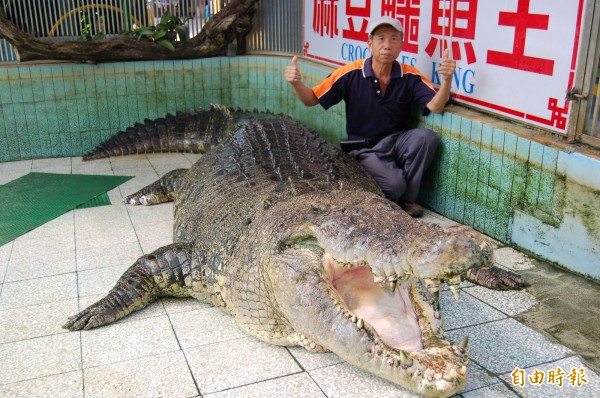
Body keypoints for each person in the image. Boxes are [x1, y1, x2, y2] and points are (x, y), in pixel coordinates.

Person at [285, 16, 456, 217]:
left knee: (427, 138)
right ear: (369, 43)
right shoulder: (350, 73)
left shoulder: (410, 75)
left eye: (394, 39)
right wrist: (296, 83)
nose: (387, 45)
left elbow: (435, 106)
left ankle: (407, 199)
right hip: (363, 148)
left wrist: (446, 80)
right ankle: (397, 190)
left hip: (395, 142)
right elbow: (311, 99)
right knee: (394, 185)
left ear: (401, 44)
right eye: (381, 38)